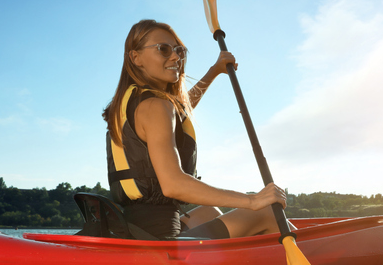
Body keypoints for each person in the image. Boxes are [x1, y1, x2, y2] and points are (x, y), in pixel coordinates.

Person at [103, 19, 286, 240]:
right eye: (163, 49)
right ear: (136, 57)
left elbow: (180, 110)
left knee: (210, 212)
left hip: (135, 228)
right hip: (160, 242)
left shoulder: (134, 101)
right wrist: (253, 201)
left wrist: (214, 71)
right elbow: (173, 185)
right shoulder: (157, 106)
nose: (175, 57)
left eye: (179, 51)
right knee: (268, 213)